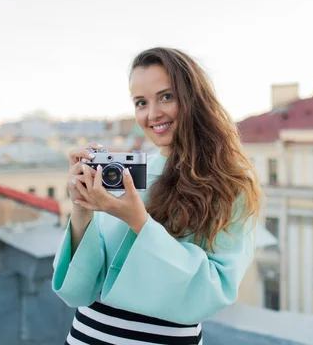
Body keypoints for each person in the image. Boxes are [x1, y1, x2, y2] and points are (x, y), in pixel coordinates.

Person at [52, 47, 263, 345]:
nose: (152, 114)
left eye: (166, 96)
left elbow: (215, 290)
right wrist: (82, 208)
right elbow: (77, 291)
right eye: (141, 102)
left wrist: (139, 222)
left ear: (193, 98)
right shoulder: (128, 174)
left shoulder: (231, 185)